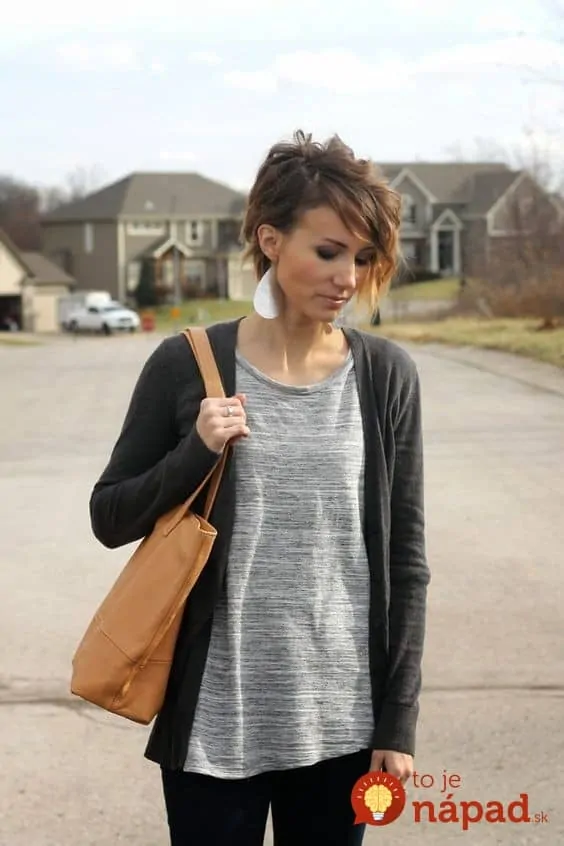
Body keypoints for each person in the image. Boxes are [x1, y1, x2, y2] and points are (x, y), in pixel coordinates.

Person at [89, 130, 430, 846]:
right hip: (216, 724)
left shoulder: (386, 376)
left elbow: (406, 563)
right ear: (271, 240)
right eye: (328, 251)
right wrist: (196, 452)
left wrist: (397, 720)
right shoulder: (187, 365)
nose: (347, 277)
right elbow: (110, 515)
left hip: (343, 724)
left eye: (362, 257)